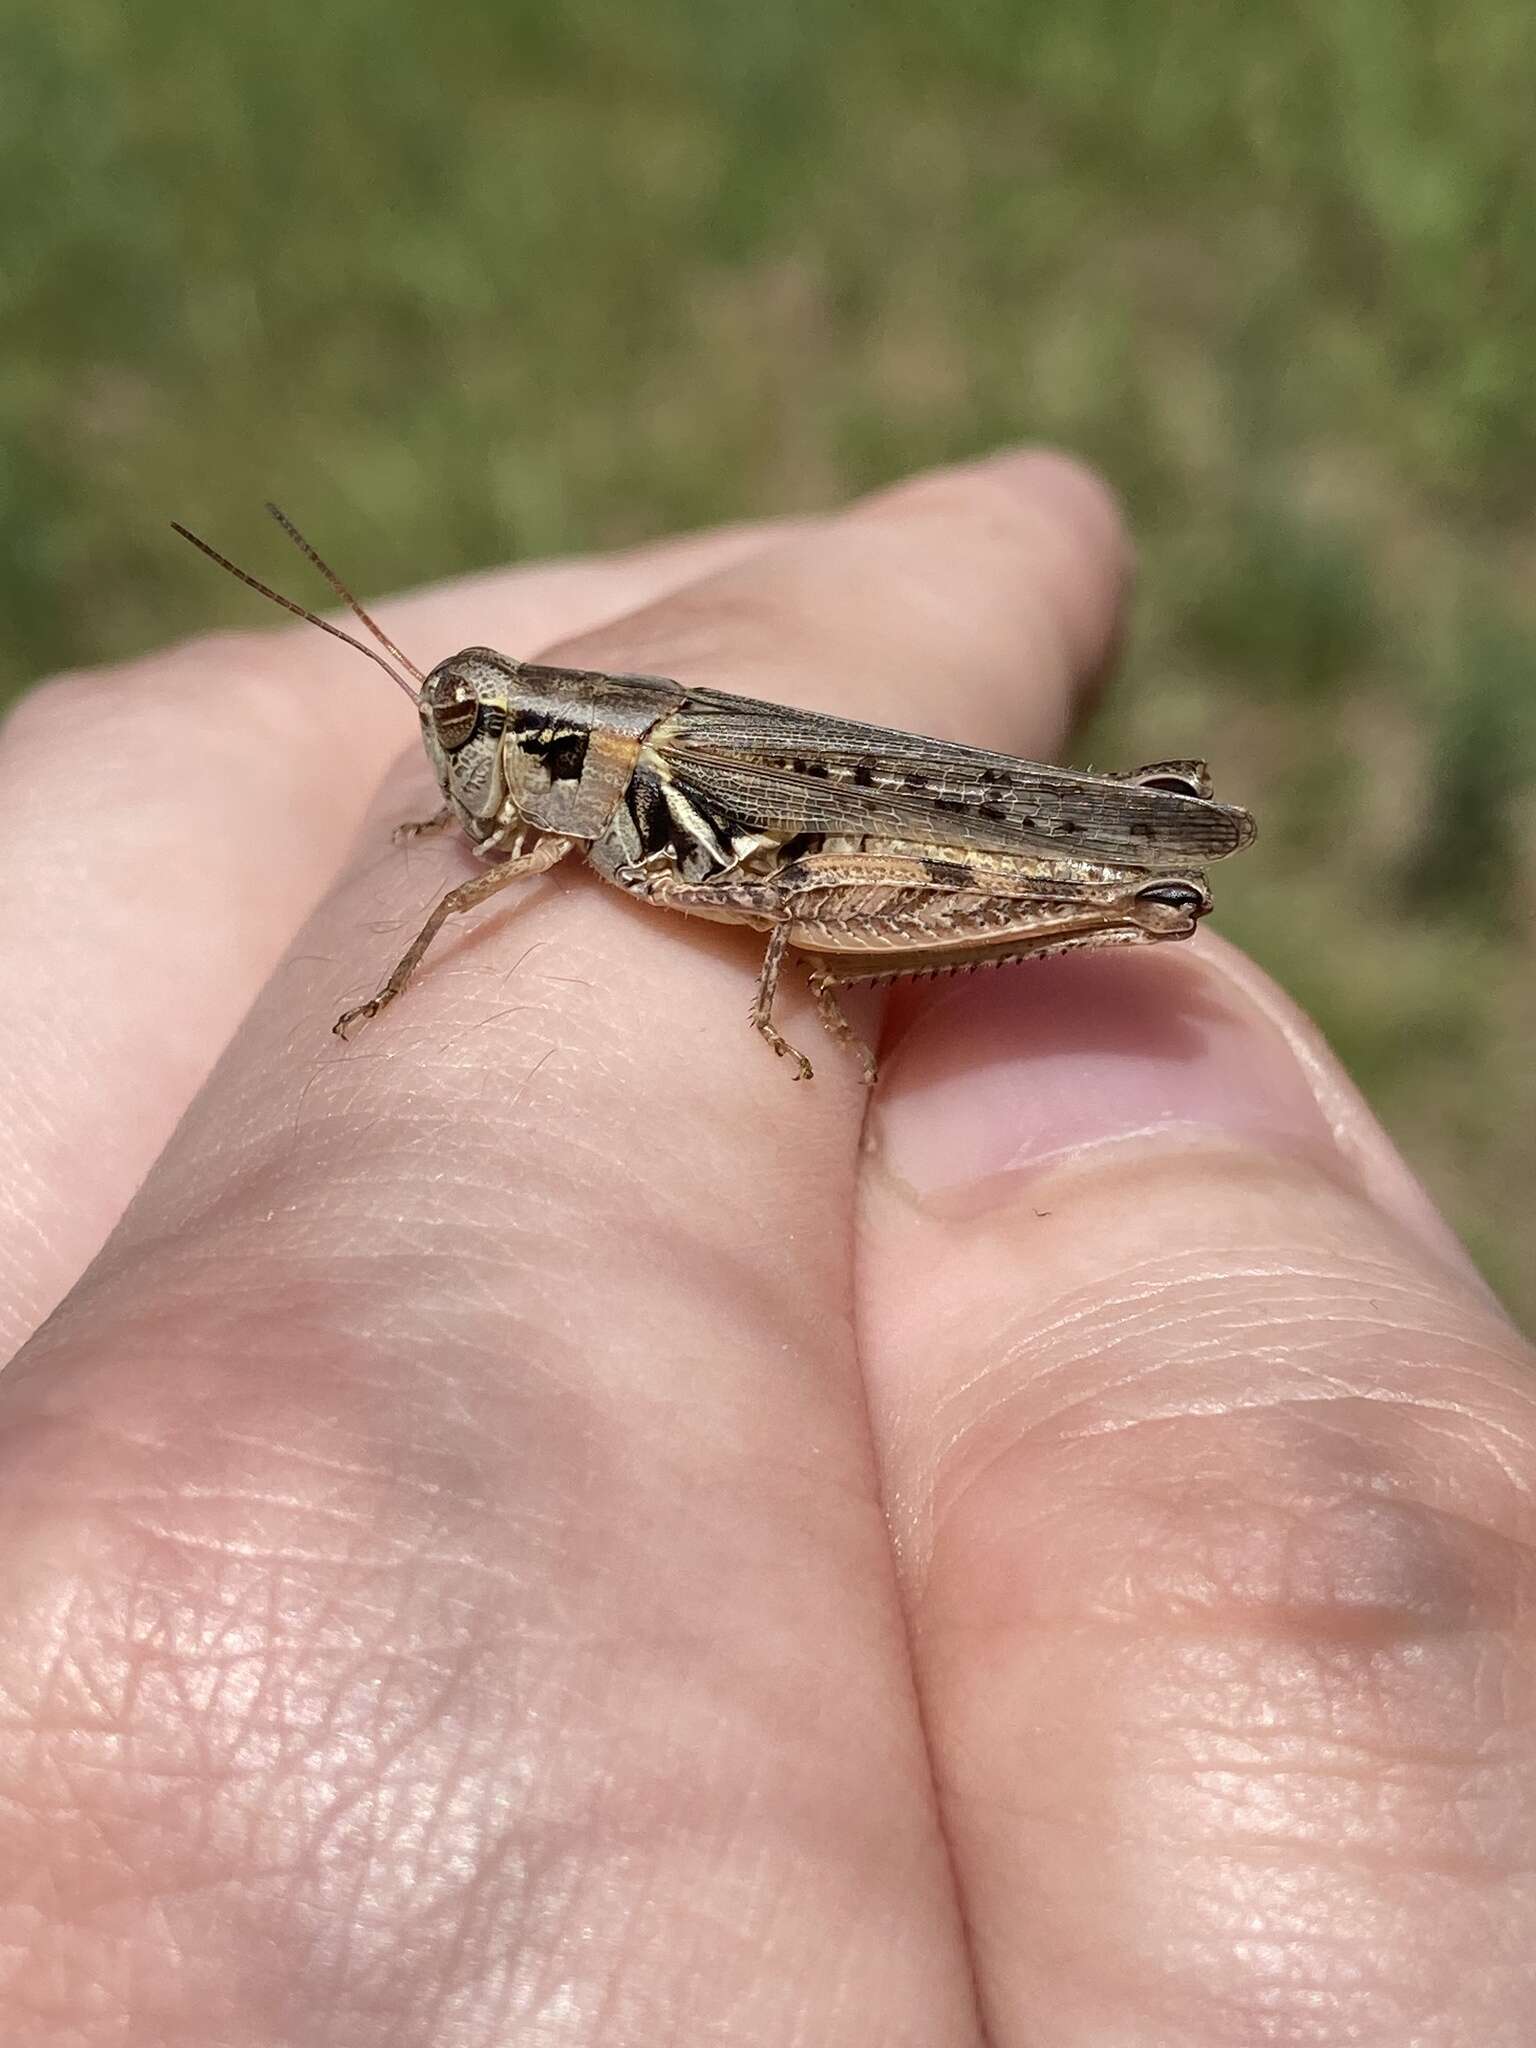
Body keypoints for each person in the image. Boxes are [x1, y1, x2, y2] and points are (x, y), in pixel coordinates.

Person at [0, 450, 1527, 2042]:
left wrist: (462, 988)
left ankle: (1123, 861)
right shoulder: (567, 778)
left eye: (473, 737)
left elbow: (737, 884)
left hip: (823, 843)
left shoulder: (645, 788)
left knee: (847, 886)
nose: (464, 770)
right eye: (457, 733)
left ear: (540, 733)